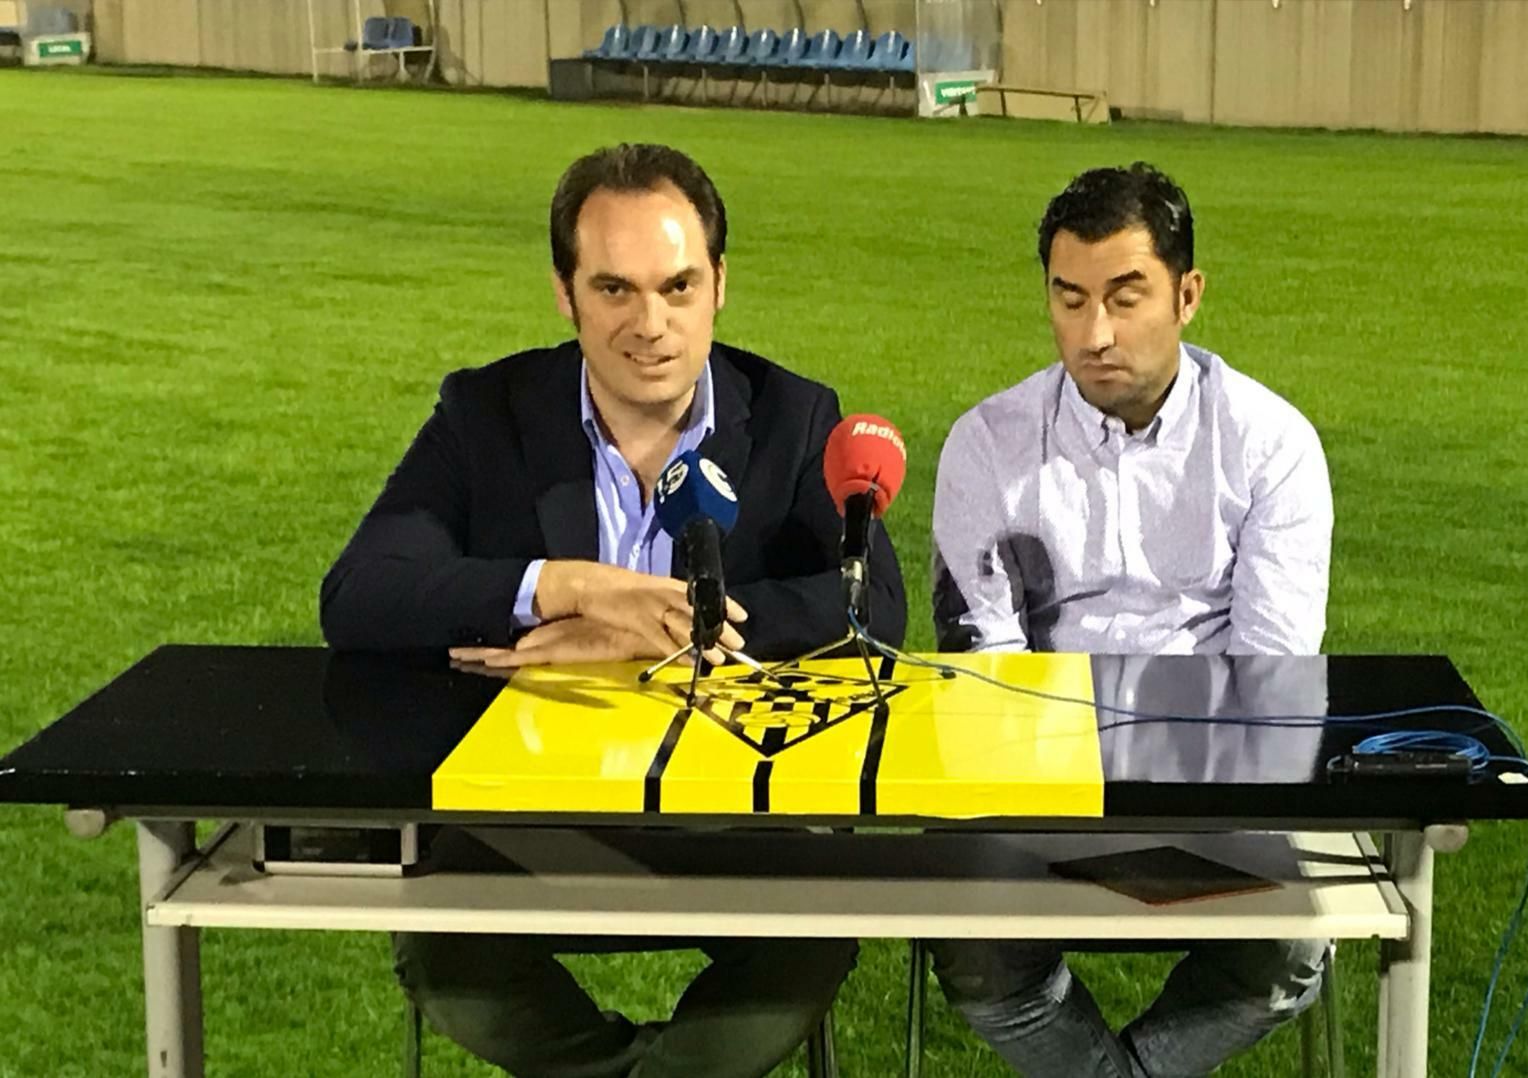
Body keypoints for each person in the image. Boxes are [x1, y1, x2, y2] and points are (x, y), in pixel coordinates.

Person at [321, 143, 906, 1078]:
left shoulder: (794, 415)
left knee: (812, 927)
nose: (652, 324)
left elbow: (873, 596)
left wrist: (656, 626)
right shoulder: (488, 412)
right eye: (614, 290)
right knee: (444, 944)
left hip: (737, 818)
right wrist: (571, 586)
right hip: (528, 817)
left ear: (720, 282)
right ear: (564, 292)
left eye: (678, 286)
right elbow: (359, 593)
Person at [929, 162, 1332, 1076]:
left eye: (1125, 296)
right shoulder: (986, 444)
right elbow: (985, 674)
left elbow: (1267, 678)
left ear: (1188, 295)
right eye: (1069, 300)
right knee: (973, 949)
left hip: (1217, 794)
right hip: (1035, 797)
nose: (1095, 333)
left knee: (1296, 944)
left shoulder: (1272, 445)